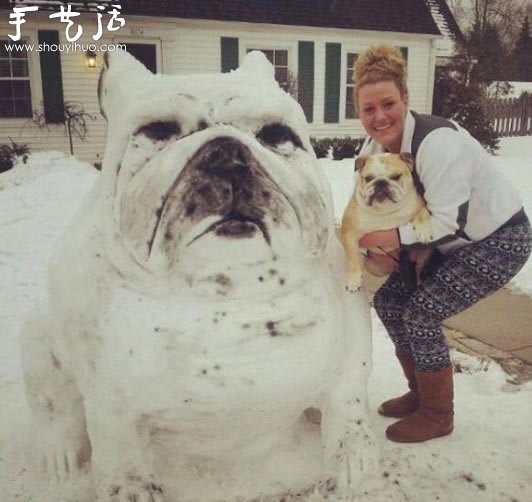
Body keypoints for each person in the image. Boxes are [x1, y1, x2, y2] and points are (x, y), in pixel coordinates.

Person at [352, 45, 532, 443]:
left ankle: (437, 414)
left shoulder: (438, 143)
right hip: (447, 245)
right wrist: (367, 247)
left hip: (500, 240)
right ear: (359, 113)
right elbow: (367, 207)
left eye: (388, 103)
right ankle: (420, 394)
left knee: (421, 313)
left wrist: (392, 239)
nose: (379, 116)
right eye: (368, 109)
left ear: (405, 100)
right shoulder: (372, 151)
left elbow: (448, 222)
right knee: (389, 302)